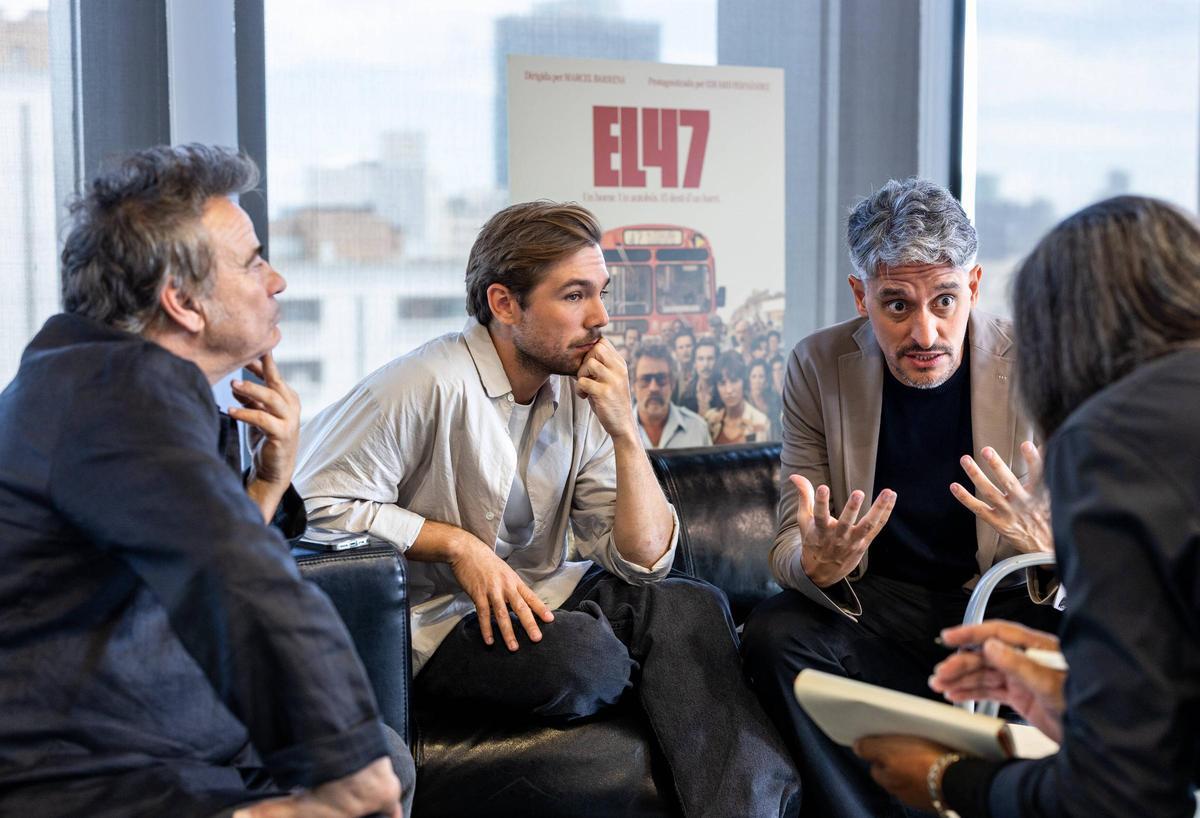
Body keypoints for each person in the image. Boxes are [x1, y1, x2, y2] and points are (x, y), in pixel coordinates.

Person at [293, 201, 799, 817]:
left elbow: (643, 563)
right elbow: (315, 504)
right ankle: (635, 668)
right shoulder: (423, 383)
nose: (601, 318)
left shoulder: (583, 387)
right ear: (505, 305)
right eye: (575, 296)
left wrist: (624, 430)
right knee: (584, 661)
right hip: (439, 619)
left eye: (602, 293)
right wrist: (456, 545)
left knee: (692, 606)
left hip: (542, 591)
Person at [0, 144, 411, 818]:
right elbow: (239, 576)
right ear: (183, 301)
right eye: (252, 262)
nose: (276, 280)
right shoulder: (117, 395)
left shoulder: (96, 378)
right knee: (373, 769)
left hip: (144, 738)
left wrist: (270, 482)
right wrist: (346, 764)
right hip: (85, 779)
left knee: (387, 756)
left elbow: (196, 562)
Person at [856, 195, 1200, 818]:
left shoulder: (1113, 440)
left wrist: (946, 783)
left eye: (946, 301)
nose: (926, 331)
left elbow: (1120, 794)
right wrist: (1079, 692)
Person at [741, 177, 1057, 818]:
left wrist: (1051, 548)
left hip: (1006, 601)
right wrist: (816, 565)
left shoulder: (1038, 363)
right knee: (774, 637)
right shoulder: (818, 364)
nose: (925, 332)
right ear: (861, 295)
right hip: (881, 603)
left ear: (971, 287)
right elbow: (786, 539)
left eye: (944, 301)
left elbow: (1107, 550)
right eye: (896, 306)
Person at [632, 340, 712, 449]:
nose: (653, 388)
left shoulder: (697, 428)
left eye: (661, 379)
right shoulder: (613, 434)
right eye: (645, 379)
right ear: (633, 385)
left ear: (673, 383)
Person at [705, 350, 771, 445]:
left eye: (734, 381)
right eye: (722, 383)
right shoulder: (710, 419)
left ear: (744, 382)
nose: (729, 390)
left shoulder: (760, 421)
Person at [680, 334, 721, 416]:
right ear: (695, 363)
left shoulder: (723, 393)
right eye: (701, 359)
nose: (705, 364)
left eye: (710, 359)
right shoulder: (687, 395)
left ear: (717, 361)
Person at [747, 357, 782, 440]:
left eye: (761, 376)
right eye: (754, 376)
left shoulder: (774, 399)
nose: (757, 381)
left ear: (766, 379)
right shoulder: (746, 402)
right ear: (749, 379)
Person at [671, 326, 696, 404]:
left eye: (688, 346)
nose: (685, 350)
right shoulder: (672, 374)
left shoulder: (701, 373)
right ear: (675, 351)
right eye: (681, 347)